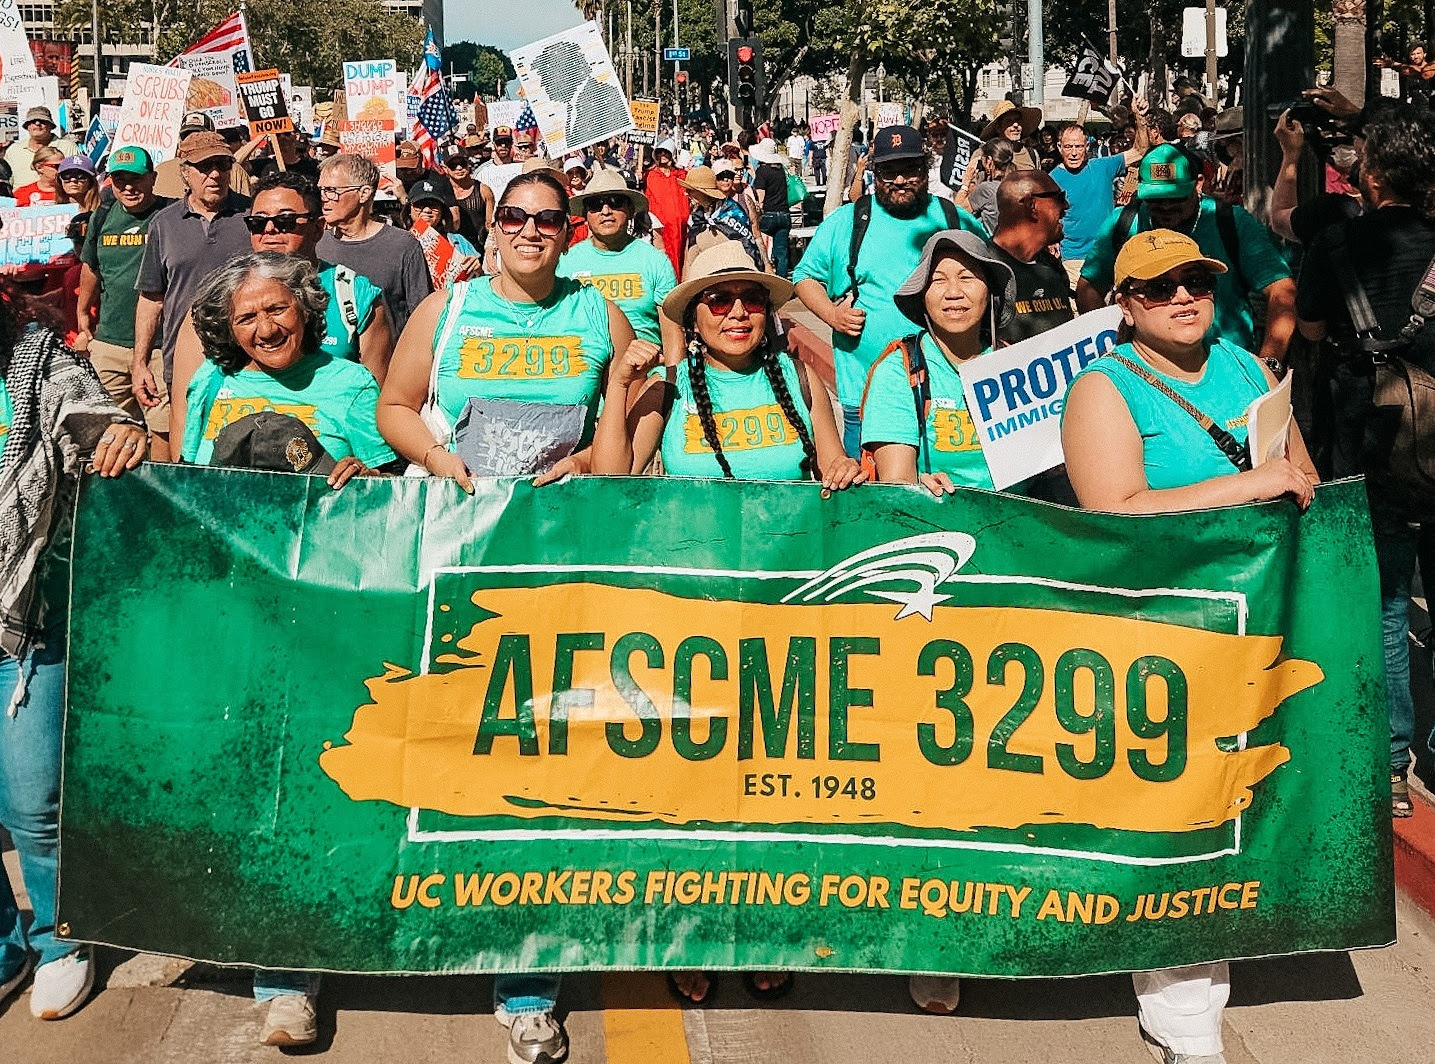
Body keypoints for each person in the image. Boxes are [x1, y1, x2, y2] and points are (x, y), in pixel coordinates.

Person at [376, 169, 631, 1064]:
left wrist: (587, 463)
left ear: (568, 231)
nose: (530, 229)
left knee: (537, 765)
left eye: (547, 218)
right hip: (453, 556)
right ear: (493, 227)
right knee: (437, 753)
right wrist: (441, 465)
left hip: (559, 564)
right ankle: (412, 922)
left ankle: (527, 986)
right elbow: (394, 407)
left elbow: (634, 422)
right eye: (514, 215)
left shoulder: (598, 313)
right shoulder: (445, 309)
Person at [1061, 230, 1316, 1064]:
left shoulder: (1244, 365)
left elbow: (1298, 473)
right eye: (1157, 287)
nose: (1180, 297)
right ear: (1123, 304)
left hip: (1256, 622)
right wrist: (1246, 486)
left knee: (1237, 800)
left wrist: (1286, 486)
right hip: (1160, 633)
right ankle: (1180, 1008)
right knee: (1179, 811)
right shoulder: (1102, 388)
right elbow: (1113, 512)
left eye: (1195, 283)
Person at [0, 286, 146, 1025]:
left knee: (33, 803)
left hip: (25, 622)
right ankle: (4, 947)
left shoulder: (35, 362)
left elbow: (88, 413)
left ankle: (62, 940)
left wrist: (120, 432)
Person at [1293, 105, 1435, 817]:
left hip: (1365, 442)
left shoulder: (1337, 244)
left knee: (1384, 603)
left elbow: (1310, 329)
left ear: (1371, 176)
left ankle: (1391, 768)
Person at [794, 124, 986, 456]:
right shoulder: (848, 221)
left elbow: (992, 277)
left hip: (950, 395)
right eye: (888, 172)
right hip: (865, 395)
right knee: (872, 487)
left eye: (910, 170)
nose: (899, 180)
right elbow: (805, 277)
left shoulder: (954, 219)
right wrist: (832, 315)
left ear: (925, 169)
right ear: (874, 173)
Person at [1076, 144, 1297, 371]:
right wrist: (1117, 342)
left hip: (1226, 371)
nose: (1166, 206)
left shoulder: (1231, 222)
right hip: (1149, 373)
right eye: (1154, 199)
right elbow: (1088, 288)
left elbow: (1282, 291)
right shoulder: (1122, 223)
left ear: (1198, 184)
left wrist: (1268, 365)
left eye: (1176, 197)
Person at [861, 229, 1017, 504]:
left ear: (990, 292)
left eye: (967, 278)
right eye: (938, 280)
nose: (953, 293)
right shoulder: (898, 372)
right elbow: (898, 486)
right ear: (922, 295)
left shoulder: (1016, 364)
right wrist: (919, 489)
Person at [131, 131, 253, 429]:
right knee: (187, 446)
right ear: (185, 172)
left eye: (222, 165)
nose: (215, 174)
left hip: (247, 362)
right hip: (185, 363)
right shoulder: (164, 223)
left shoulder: (254, 216)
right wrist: (140, 363)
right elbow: (151, 298)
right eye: (204, 166)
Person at [75, 146, 172, 459]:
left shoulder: (171, 216)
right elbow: (91, 266)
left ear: (153, 178)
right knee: (103, 429)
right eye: (120, 180)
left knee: (163, 428)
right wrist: (82, 314)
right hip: (110, 344)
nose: (128, 187)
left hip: (159, 346)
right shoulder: (102, 216)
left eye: (136, 178)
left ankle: (159, 486)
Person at [560, 169, 681, 356]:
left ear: (631, 210)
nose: (606, 211)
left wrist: (673, 373)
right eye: (595, 205)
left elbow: (672, 333)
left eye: (615, 202)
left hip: (645, 369)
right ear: (585, 214)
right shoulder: (566, 262)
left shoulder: (655, 261)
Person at [316, 153, 433, 335]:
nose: (324, 198)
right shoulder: (316, 243)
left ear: (364, 193)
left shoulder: (402, 245)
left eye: (331, 190)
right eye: (321, 190)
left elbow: (423, 316)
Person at [1051, 96, 1149, 288]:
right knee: (1081, 305)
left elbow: (1140, 150)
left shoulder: (1102, 166)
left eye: (1078, 146)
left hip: (1108, 253)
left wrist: (1140, 118)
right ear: (1059, 147)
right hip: (1073, 258)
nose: (1073, 153)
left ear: (1087, 147)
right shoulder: (1051, 180)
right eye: (1068, 147)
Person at [988, 171, 1076, 344]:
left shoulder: (1052, 266)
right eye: (1059, 198)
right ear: (1032, 206)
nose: (1065, 206)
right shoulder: (984, 270)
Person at [682, 163, 766, 270]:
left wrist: (767, 265)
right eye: (721, 177)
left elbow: (752, 240)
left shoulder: (732, 212)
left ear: (703, 192)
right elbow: (690, 255)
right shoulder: (696, 217)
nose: (686, 193)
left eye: (691, 190)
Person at [406, 177, 482, 287]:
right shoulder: (400, 242)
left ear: (442, 212)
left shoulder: (458, 242)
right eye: (419, 205)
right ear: (409, 210)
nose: (427, 210)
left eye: (434, 205)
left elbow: (480, 282)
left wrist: (477, 270)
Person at [749, 138, 792, 278]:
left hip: (768, 214)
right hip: (784, 214)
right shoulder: (780, 170)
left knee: (759, 244)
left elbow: (761, 196)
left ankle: (765, 274)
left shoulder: (762, 171)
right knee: (782, 252)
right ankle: (782, 280)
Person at [5, 107, 77, 188]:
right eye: (32, 121)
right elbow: (7, 180)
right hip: (20, 195)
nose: (37, 123)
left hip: (57, 195)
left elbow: (76, 175)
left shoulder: (67, 147)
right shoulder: (14, 150)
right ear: (27, 126)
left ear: (50, 126)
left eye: (43, 121)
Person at [958, 138, 1016, 233]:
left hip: (989, 240)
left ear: (989, 160)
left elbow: (958, 210)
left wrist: (967, 180)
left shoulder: (986, 189)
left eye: (982, 159)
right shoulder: (1016, 183)